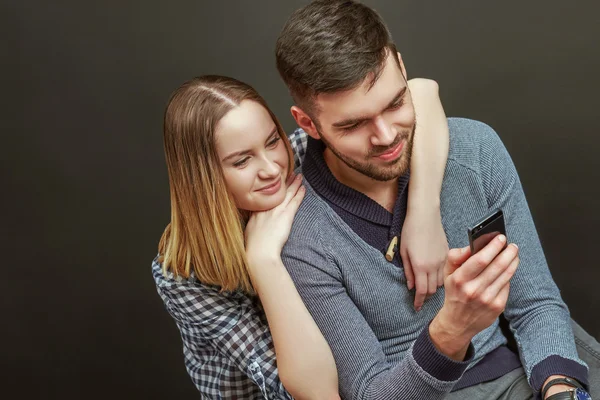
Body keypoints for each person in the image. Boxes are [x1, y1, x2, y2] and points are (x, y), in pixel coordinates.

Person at [276, 1, 600, 399]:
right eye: (354, 124)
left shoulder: (474, 152)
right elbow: (368, 392)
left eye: (395, 103)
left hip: (525, 372)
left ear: (402, 67)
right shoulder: (301, 234)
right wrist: (452, 330)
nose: (386, 136)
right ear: (308, 123)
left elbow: (535, 304)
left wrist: (560, 390)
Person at [152, 74, 452, 398]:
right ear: (202, 178)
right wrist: (263, 261)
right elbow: (314, 393)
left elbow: (422, 91)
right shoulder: (184, 274)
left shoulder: (298, 156)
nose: (272, 168)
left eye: (271, 141)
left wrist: (424, 214)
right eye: (241, 160)